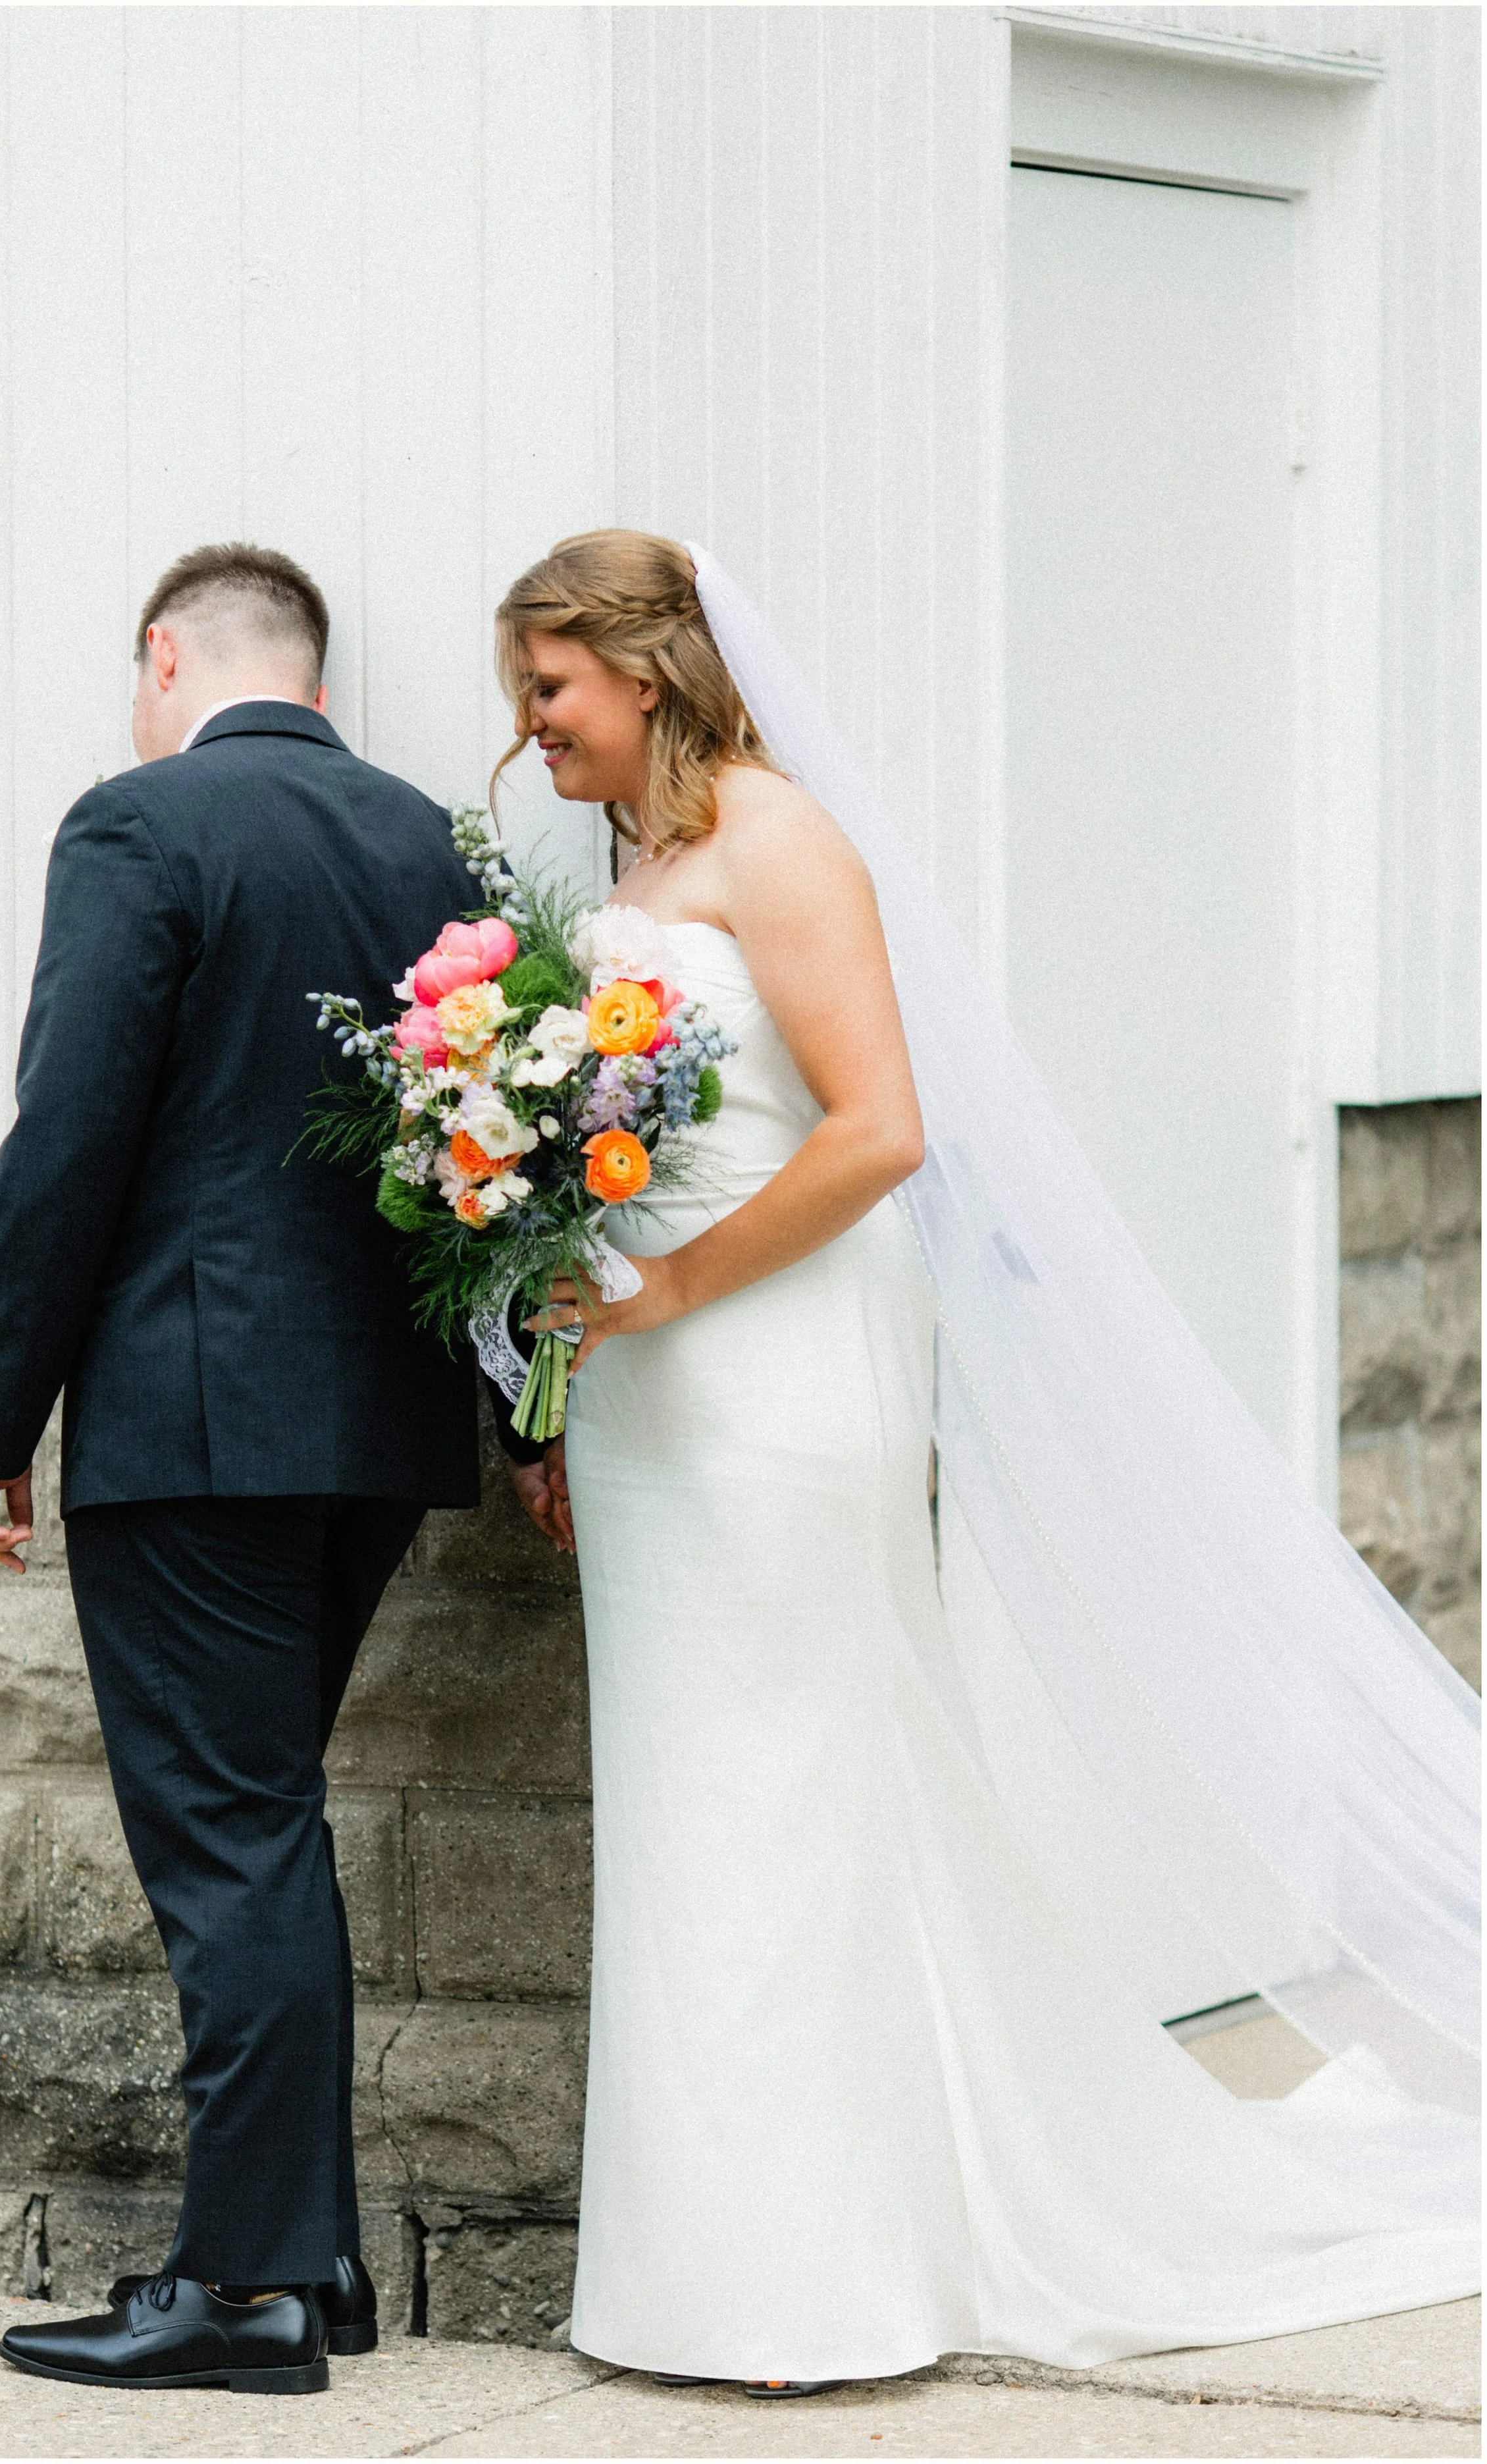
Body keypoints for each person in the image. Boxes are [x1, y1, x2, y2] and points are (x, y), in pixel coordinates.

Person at [492, 529, 1478, 2393]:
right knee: (694, 1797)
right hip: (647, 1399)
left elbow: (879, 1131)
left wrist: (674, 1284)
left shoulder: (780, 839)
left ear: (645, 666)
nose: (529, 724)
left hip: (781, 1371)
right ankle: (702, 2267)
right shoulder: (633, 861)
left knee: (791, 1785)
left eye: (549, 686)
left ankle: (818, 2283)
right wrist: (558, 1359)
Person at [0, 541, 555, 2396]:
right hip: (377, 1421)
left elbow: (69, 1133)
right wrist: (515, 1407)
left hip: (194, 1414)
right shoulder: (429, 843)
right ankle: (319, 2262)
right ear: (315, 674)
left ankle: (247, 2286)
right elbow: (491, 1145)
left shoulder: (138, 825)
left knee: (227, 1836)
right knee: (263, 1821)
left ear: (165, 657)